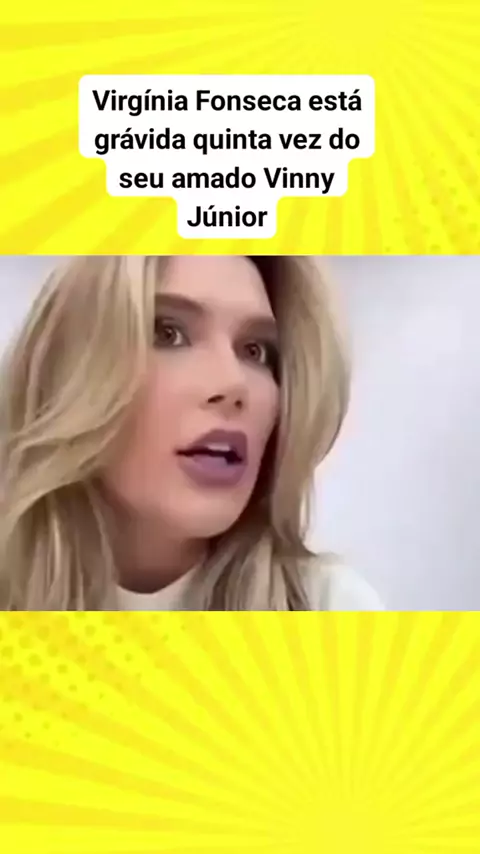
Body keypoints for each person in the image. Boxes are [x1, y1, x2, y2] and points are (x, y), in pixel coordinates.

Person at [0, 255, 383, 611]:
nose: (233, 384)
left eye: (255, 350)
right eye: (168, 333)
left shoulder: (331, 608)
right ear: (68, 373)